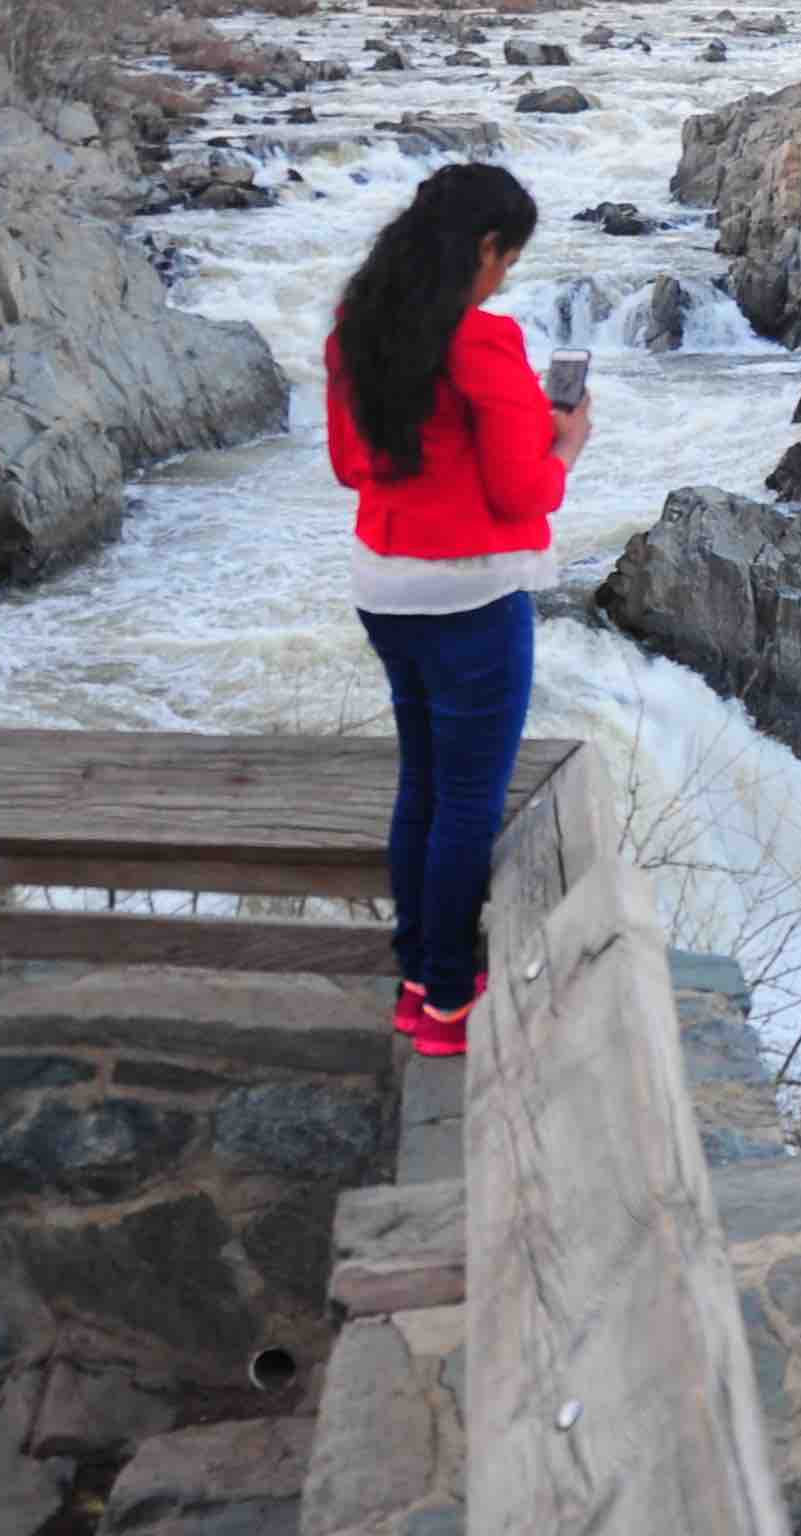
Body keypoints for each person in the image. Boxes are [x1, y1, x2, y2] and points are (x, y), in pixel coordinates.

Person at [324, 163, 588, 1060]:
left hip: (383, 588)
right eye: (507, 258)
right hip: (470, 593)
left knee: (425, 787)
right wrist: (568, 444)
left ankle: (416, 979)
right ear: (484, 246)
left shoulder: (358, 329)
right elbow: (523, 494)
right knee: (468, 801)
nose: (506, 277)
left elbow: (352, 468)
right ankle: (445, 1001)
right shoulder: (480, 343)